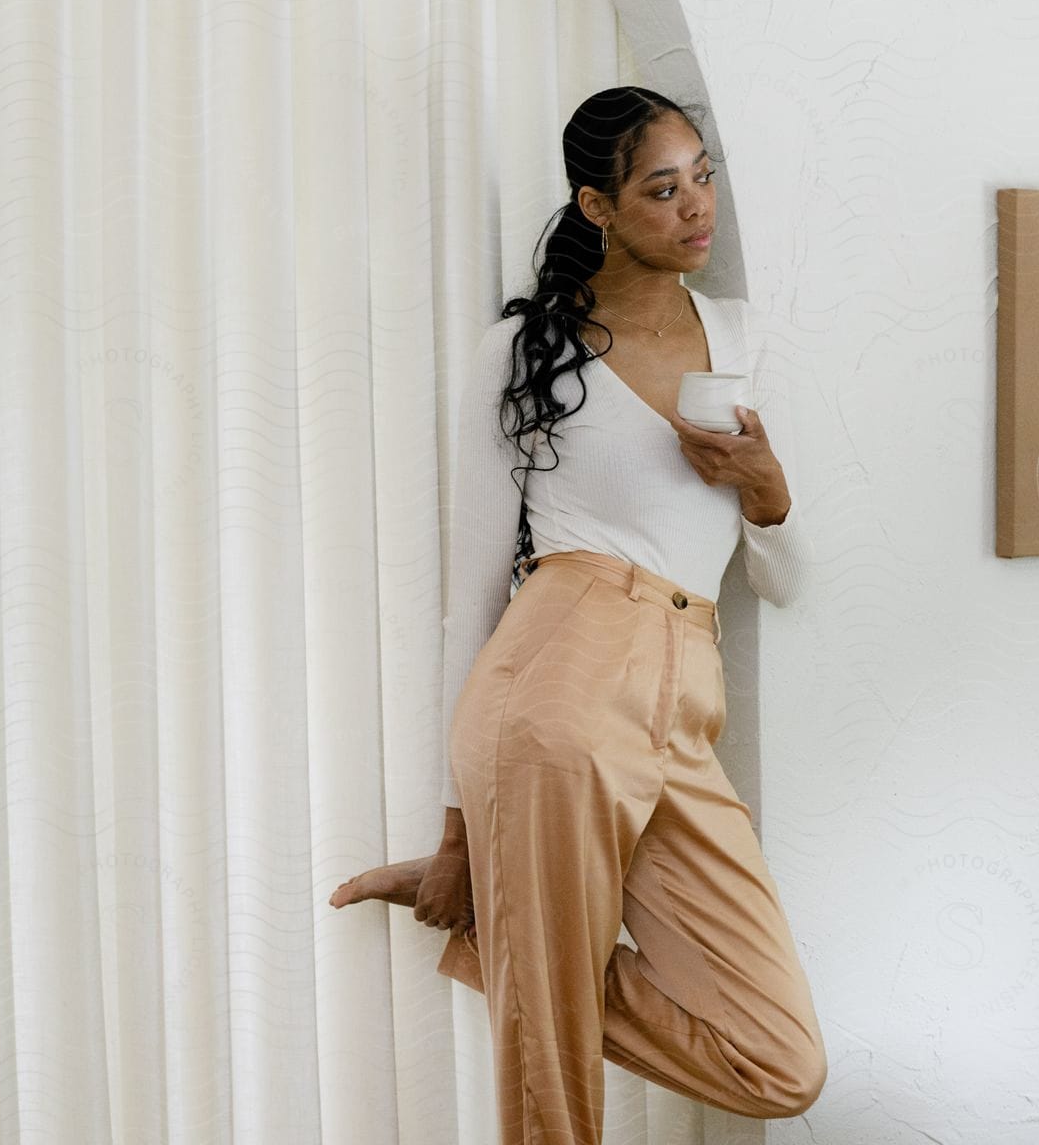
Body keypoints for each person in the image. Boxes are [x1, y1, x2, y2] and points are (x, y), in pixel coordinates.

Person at [328, 86, 826, 1143]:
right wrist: (463, 831)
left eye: (704, 177)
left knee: (781, 1057)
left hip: (684, 704)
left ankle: (510, 945)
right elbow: (471, 597)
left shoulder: (742, 338)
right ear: (597, 208)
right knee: (549, 1086)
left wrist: (769, 492)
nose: (698, 208)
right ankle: (518, 933)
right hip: (560, 683)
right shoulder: (522, 355)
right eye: (662, 188)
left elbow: (781, 578)